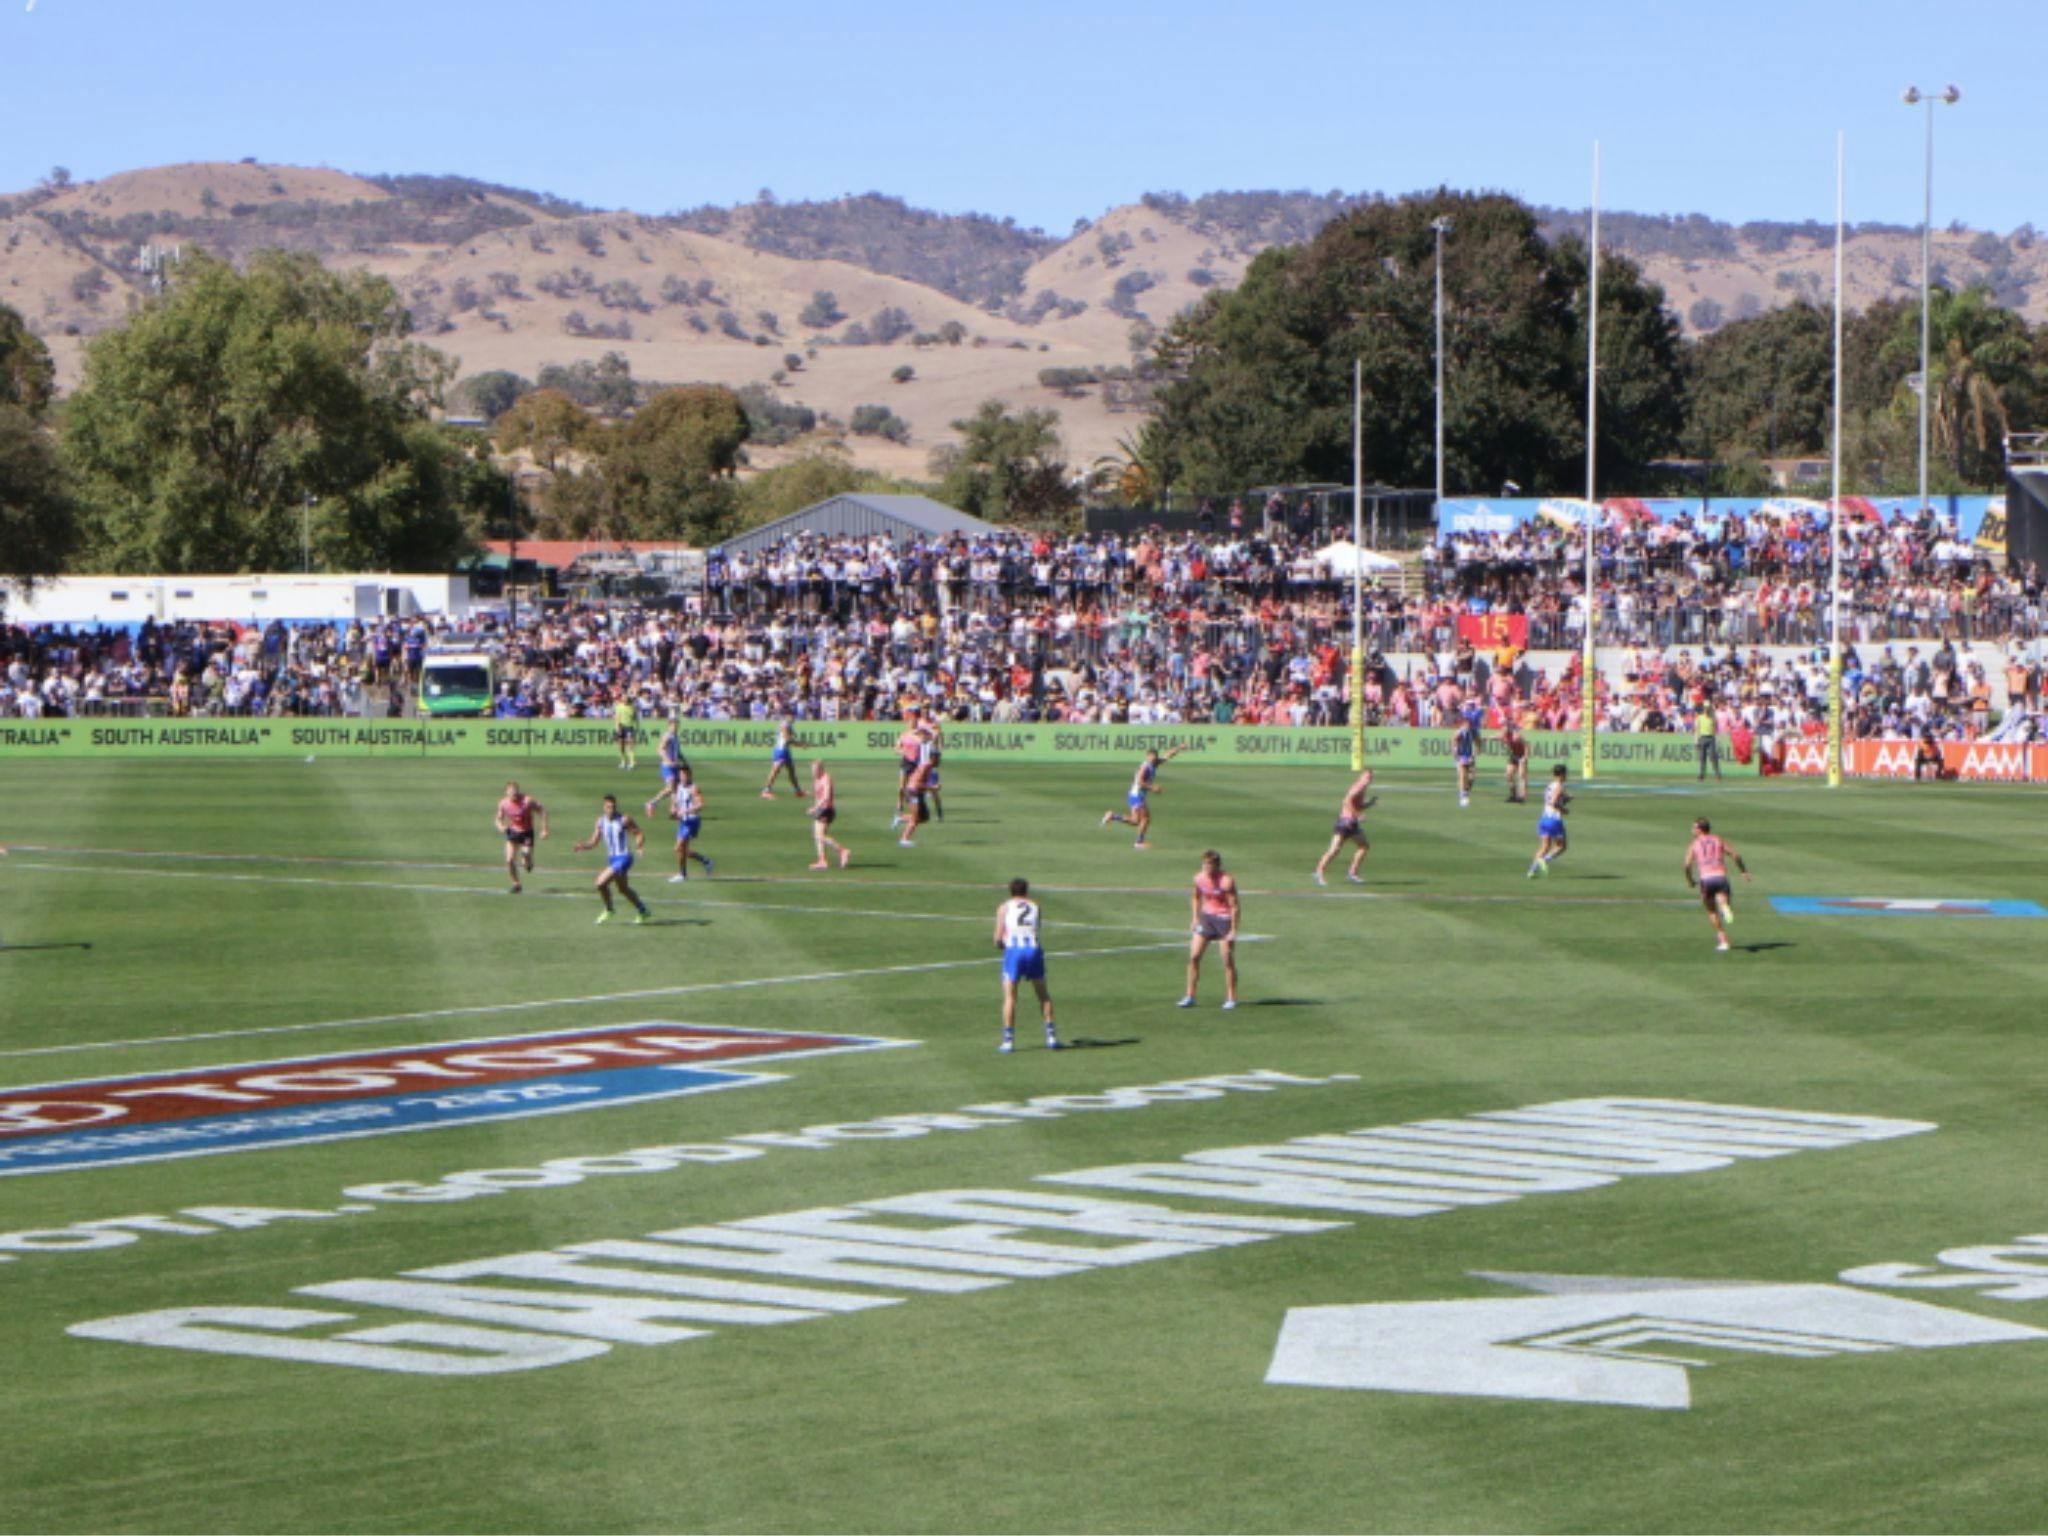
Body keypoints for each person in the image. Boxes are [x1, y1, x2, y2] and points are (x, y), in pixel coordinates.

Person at [994, 877, 1060, 1054]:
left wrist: (1001, 944)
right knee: (1043, 995)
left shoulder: (1004, 907)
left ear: (1010, 890)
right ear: (1026, 890)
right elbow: (1036, 928)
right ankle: (1051, 1037)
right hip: (1033, 949)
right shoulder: (1036, 906)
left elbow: (998, 938)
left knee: (1010, 997)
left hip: (1014, 952)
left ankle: (1008, 1041)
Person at [573, 794, 651, 924]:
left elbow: (639, 833)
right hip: (613, 859)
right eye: (609, 807)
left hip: (624, 857)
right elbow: (594, 842)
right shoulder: (600, 822)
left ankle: (609, 909)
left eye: (613, 806)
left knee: (600, 882)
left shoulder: (624, 819)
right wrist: (583, 846)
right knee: (623, 889)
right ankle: (643, 910)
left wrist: (639, 846)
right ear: (604, 807)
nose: (611, 809)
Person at [1180, 849, 1240, 1009]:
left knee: (1227, 958)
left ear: (1217, 865)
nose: (1207, 867)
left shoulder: (1226, 881)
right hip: (1207, 918)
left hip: (1223, 919)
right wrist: (1194, 918)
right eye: (1205, 864)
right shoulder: (1199, 878)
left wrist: (1233, 929)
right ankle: (1190, 995)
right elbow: (1196, 897)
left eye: (1210, 865)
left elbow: (1234, 906)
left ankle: (1231, 997)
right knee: (1194, 956)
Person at [1683, 817, 1751, 952]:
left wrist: (1690, 880)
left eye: (1694, 827)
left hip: (1706, 879)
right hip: (1720, 876)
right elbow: (1735, 855)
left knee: (1712, 911)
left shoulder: (1694, 844)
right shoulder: (1718, 839)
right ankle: (1724, 906)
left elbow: (1686, 865)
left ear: (1700, 829)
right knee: (1722, 899)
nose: (1692, 830)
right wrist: (1743, 871)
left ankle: (1723, 940)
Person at [1100, 745, 1185, 849]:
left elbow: (1167, 755)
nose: (1153, 758)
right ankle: (1139, 842)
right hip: (1137, 795)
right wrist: (1152, 787)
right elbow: (1139, 781)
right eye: (1151, 756)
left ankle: (1113, 816)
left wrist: (1179, 748)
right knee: (1146, 818)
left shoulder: (1155, 763)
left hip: (1135, 795)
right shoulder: (1145, 767)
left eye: (1155, 756)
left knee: (1135, 821)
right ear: (1147, 756)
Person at [1314, 770, 1376, 886]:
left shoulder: (1362, 788)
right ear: (1361, 777)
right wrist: (1358, 815)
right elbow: (1346, 801)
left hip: (1352, 824)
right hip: (1344, 822)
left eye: (1370, 778)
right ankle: (1319, 872)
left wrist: (1369, 804)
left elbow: (1357, 805)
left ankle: (1352, 873)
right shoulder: (1358, 787)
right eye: (1366, 777)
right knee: (1334, 850)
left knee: (1364, 846)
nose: (1368, 780)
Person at [494, 781, 549, 895]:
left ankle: (528, 862)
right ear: (507, 792)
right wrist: (501, 827)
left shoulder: (527, 801)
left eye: (515, 793)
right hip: (513, 832)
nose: (514, 795)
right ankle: (516, 884)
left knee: (526, 855)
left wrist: (544, 829)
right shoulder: (503, 803)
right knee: (509, 860)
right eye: (511, 793)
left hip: (527, 833)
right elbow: (498, 818)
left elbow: (542, 811)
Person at [665, 766, 715, 883]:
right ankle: (706, 861)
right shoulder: (679, 786)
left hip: (692, 821)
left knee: (679, 847)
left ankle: (682, 874)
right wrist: (673, 809)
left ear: (690, 775)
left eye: (685, 775)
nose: (683, 777)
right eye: (681, 775)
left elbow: (701, 804)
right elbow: (676, 801)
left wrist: (686, 811)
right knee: (680, 849)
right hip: (683, 821)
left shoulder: (693, 788)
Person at [1527, 765, 1570, 878]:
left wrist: (1564, 799)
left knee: (1544, 847)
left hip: (1544, 818)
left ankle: (1532, 870)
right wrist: (1563, 809)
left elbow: (1549, 799)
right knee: (1561, 846)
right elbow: (1554, 802)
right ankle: (1544, 860)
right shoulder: (1559, 786)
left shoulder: (1550, 785)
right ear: (1562, 774)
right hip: (1554, 819)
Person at [807, 760, 851, 870]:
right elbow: (818, 796)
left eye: (815, 770)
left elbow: (826, 797)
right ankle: (822, 860)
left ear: (821, 769)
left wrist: (815, 808)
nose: (813, 772)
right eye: (812, 770)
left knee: (819, 836)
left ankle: (842, 851)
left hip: (826, 810)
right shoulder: (816, 779)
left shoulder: (826, 778)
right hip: (821, 809)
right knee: (817, 836)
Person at [644, 720, 689, 816]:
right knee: (671, 787)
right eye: (673, 726)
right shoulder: (667, 736)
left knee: (675, 789)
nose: (675, 727)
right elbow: (660, 750)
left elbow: (677, 751)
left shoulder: (675, 736)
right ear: (669, 726)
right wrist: (668, 761)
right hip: (667, 766)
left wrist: (683, 759)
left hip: (675, 765)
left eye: (677, 726)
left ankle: (673, 810)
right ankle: (651, 803)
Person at [761, 718, 807, 799]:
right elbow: (787, 738)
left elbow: (788, 739)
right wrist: (800, 744)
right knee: (775, 771)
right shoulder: (785, 724)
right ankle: (766, 791)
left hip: (785, 750)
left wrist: (799, 744)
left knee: (791, 771)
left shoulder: (788, 724)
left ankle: (798, 791)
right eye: (792, 715)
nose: (794, 717)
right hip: (781, 750)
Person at [1453, 706, 1480, 807]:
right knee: (1462, 774)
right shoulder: (1459, 733)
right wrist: (1457, 757)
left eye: (1469, 723)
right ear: (1463, 723)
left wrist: (1474, 755)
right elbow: (1454, 744)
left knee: (1472, 777)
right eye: (1466, 723)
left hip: (1469, 755)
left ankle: (1465, 790)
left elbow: (1478, 744)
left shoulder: (1474, 732)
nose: (1468, 725)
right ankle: (1462, 795)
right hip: (1461, 755)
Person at [1695, 699, 1723, 782]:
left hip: (1711, 738)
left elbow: (1716, 728)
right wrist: (1696, 740)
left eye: (1708, 708)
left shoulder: (1713, 718)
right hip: (1702, 738)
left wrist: (1717, 738)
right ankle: (1702, 775)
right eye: (1706, 708)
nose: (1707, 709)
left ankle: (1717, 774)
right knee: (1702, 758)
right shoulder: (1699, 717)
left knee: (1713, 757)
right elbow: (1697, 729)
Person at [1501, 721, 1530, 804]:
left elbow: (1527, 745)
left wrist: (1525, 757)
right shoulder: (1505, 736)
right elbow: (1497, 737)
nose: (1503, 729)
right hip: (1513, 756)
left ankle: (1522, 797)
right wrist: (1487, 738)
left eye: (1504, 727)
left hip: (1521, 756)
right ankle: (1513, 794)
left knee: (1521, 776)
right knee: (1508, 775)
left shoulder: (1517, 735)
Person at [613, 693, 639, 771]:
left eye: (626, 698)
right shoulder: (618, 707)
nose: (625, 699)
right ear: (621, 699)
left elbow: (635, 718)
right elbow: (617, 718)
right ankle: (623, 761)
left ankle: (632, 762)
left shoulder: (632, 707)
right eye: (624, 698)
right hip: (621, 727)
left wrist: (637, 727)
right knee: (621, 746)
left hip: (630, 727)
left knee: (630, 745)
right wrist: (617, 728)